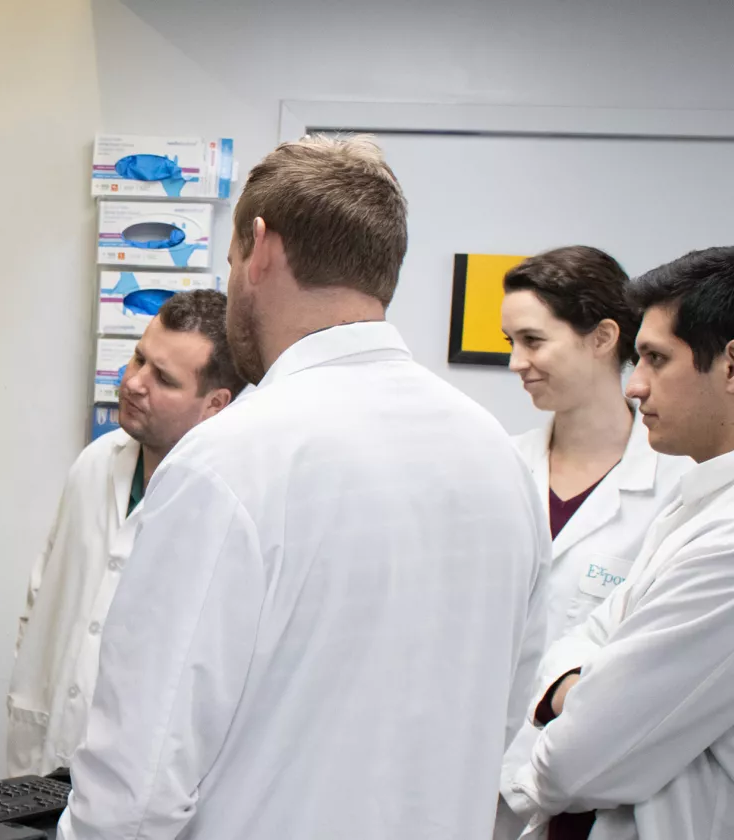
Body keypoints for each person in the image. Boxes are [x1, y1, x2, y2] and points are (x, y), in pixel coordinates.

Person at [57, 136, 550, 840]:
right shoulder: (497, 460)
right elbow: (502, 722)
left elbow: (133, 797)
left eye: (230, 262)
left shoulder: (227, 462)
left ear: (260, 248)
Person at [502, 247, 734, 840]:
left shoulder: (718, 532)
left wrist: (583, 699)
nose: (637, 384)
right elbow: (591, 638)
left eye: (656, 359)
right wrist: (583, 684)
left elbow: (585, 757)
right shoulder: (697, 501)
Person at [6, 289, 243, 778]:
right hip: (43, 759)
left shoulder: (229, 505)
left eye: (164, 379)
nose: (134, 382)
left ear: (214, 404)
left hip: (142, 784)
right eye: (139, 358)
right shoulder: (97, 462)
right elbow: (43, 595)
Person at [501, 247, 692, 647]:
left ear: (603, 337)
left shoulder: (680, 485)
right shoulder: (502, 463)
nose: (516, 362)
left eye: (532, 341)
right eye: (511, 342)